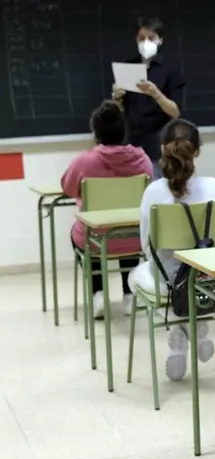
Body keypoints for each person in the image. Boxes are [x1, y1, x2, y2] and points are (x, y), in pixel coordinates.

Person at [129, 118, 215, 381]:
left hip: (169, 283)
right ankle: (196, 327)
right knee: (189, 282)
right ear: (197, 151)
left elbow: (146, 247)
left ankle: (181, 333)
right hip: (210, 281)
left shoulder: (153, 192)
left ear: (163, 149)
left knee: (135, 277)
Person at [62, 100, 154, 318]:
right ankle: (130, 294)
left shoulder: (84, 161)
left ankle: (98, 294)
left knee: (84, 232)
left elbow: (67, 187)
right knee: (125, 225)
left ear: (96, 133)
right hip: (134, 238)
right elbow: (150, 189)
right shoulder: (142, 159)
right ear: (124, 131)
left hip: (94, 238)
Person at [113, 16, 185, 178]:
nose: (145, 42)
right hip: (131, 145)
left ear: (160, 40)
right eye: (141, 38)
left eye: (151, 38)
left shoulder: (170, 69)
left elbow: (175, 112)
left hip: (158, 146)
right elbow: (121, 109)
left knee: (157, 192)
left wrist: (156, 93)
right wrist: (116, 97)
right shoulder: (129, 66)